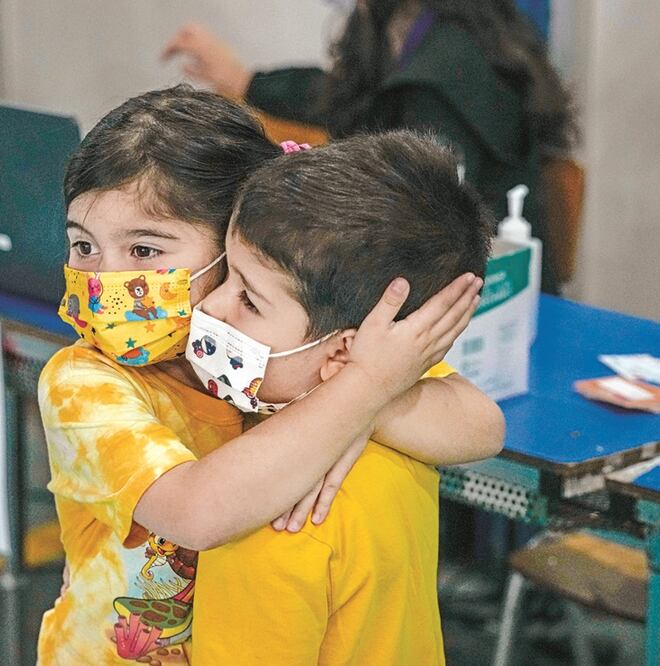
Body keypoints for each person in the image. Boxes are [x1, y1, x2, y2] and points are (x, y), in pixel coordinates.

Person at [37, 86, 503, 664]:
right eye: (82, 245)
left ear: (237, 246)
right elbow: (193, 513)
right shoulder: (84, 381)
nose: (104, 279)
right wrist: (356, 395)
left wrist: (362, 394)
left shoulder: (284, 342)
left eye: (143, 251)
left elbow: (482, 426)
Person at [191, 130, 492, 664]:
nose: (212, 307)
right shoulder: (399, 400)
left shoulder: (272, 519)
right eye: (225, 273)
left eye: (249, 301)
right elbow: (482, 422)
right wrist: (363, 396)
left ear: (343, 353)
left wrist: (363, 394)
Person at [163, 0, 578, 293]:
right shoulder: (446, 30)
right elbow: (354, 98)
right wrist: (245, 80)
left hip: (488, 297)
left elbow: (428, 233)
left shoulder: (438, 83)